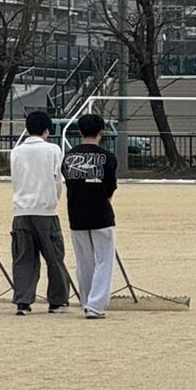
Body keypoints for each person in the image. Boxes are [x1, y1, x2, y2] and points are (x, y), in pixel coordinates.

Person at [9, 109, 71, 316]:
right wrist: (53, 201)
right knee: (54, 257)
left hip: (21, 211)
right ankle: (57, 300)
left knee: (23, 258)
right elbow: (57, 180)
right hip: (46, 211)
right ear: (47, 130)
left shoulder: (16, 151)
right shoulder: (53, 150)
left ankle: (23, 301)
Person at [62, 111, 119, 319]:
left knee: (84, 262)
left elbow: (69, 182)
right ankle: (96, 305)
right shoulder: (108, 158)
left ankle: (87, 301)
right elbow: (110, 188)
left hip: (76, 215)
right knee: (104, 261)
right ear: (101, 132)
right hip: (101, 215)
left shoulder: (68, 157)